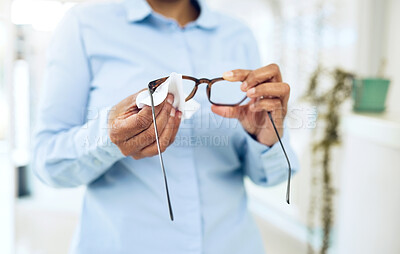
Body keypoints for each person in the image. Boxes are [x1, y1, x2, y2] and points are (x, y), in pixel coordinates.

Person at [33, 0, 299, 253]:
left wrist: (265, 137)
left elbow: (272, 176)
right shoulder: (84, 26)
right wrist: (108, 138)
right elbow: (48, 163)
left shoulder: (238, 34)